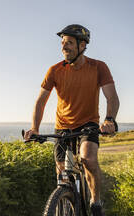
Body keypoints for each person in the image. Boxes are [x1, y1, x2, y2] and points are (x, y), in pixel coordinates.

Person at [24, 24, 119, 216]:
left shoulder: (98, 67)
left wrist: (109, 120)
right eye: (62, 43)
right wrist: (34, 128)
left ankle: (95, 202)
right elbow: (40, 102)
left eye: (69, 43)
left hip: (88, 124)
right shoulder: (54, 70)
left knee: (88, 159)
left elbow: (112, 97)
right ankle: (65, 202)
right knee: (62, 174)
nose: (63, 47)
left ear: (82, 45)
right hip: (62, 127)